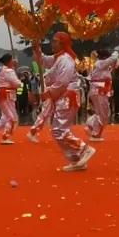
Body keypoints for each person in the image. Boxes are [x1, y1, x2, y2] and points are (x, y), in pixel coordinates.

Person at [33, 32, 97, 172]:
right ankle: (77, 160)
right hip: (63, 96)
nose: (52, 43)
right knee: (59, 130)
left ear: (62, 43)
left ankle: (84, 149)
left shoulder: (66, 60)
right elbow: (44, 60)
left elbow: (62, 82)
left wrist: (48, 93)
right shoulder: (58, 58)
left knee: (59, 130)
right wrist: (36, 48)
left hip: (67, 96)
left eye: (55, 41)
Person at [86, 48, 119, 141]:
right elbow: (113, 59)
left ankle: (91, 126)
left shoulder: (103, 65)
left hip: (100, 90)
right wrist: (116, 51)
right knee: (103, 112)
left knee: (103, 112)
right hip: (99, 90)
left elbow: (116, 63)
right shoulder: (100, 63)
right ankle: (95, 133)